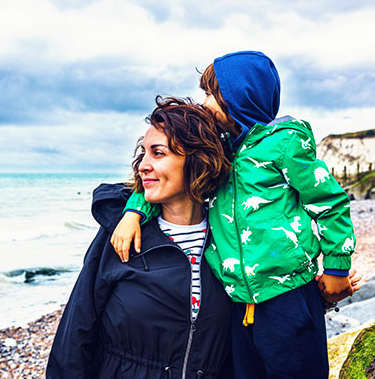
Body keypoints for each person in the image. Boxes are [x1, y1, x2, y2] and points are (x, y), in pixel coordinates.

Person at [112, 51, 357, 378]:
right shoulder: (218, 150)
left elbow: (330, 202)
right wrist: (132, 213)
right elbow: (165, 181)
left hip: (289, 296)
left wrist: (337, 268)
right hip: (237, 302)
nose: (205, 103)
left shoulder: (283, 145)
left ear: (241, 98)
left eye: (211, 94)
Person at [47, 97, 236, 378]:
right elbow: (76, 332)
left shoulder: (231, 240)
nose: (143, 166)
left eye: (158, 153)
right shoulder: (121, 234)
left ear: (197, 161)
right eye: (143, 153)